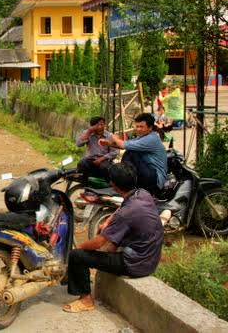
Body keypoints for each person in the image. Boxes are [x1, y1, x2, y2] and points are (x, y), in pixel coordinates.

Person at [63, 163, 164, 313]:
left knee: (77, 256)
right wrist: (108, 220)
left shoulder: (127, 213)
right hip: (150, 258)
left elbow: (98, 243)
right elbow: (122, 208)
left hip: (136, 264)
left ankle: (86, 300)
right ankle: (73, 275)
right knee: (108, 242)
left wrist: (80, 247)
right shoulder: (142, 194)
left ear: (114, 185)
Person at [99, 113, 167, 194]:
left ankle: (124, 181)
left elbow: (123, 145)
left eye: (141, 127)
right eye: (137, 126)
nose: (138, 129)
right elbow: (124, 145)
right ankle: (124, 181)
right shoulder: (143, 137)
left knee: (131, 152)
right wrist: (108, 143)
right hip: (148, 174)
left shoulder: (151, 139)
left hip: (155, 180)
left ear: (150, 128)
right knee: (130, 151)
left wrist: (114, 137)